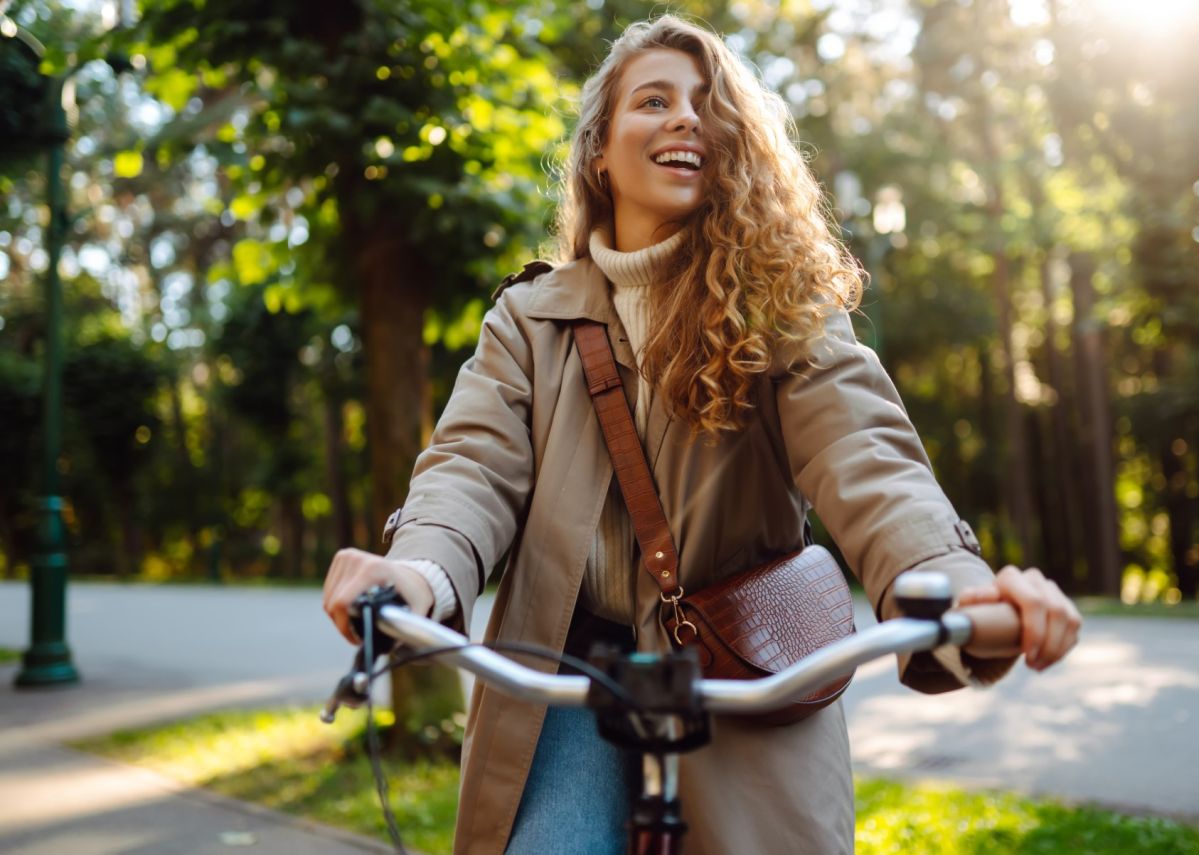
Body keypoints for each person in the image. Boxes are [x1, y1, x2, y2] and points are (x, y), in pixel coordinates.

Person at [322, 14, 1082, 855]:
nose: (687, 117)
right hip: (570, 662)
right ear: (599, 153)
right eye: (654, 100)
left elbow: (864, 453)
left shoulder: (783, 306)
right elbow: (471, 466)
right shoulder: (529, 319)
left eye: (707, 103)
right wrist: (418, 570)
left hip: (745, 663)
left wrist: (950, 580)